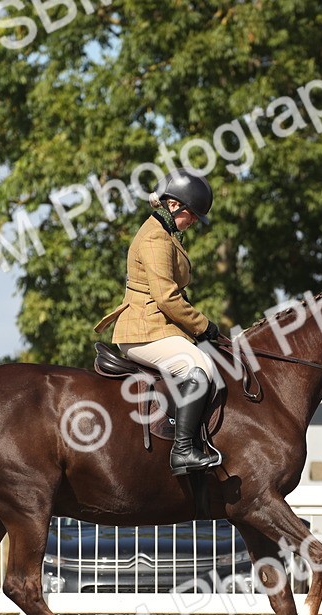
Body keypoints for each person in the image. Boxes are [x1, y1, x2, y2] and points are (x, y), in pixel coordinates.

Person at [95, 168, 221, 476]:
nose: (193, 222)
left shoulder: (164, 233)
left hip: (156, 327)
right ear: (174, 205)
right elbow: (166, 298)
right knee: (200, 368)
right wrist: (203, 327)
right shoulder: (155, 237)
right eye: (192, 215)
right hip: (143, 330)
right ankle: (183, 452)